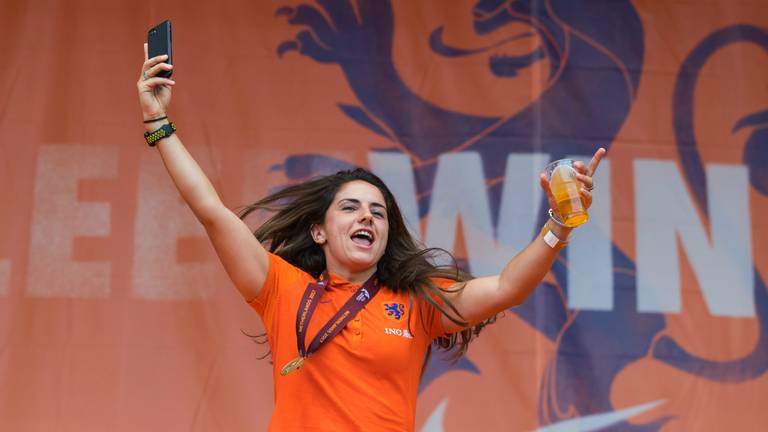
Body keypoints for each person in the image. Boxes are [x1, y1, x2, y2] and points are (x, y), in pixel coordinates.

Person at [137, 44, 605, 431]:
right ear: (318, 231)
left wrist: (559, 226)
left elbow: (506, 288)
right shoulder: (281, 290)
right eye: (351, 207)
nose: (368, 217)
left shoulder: (419, 301)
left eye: (378, 213)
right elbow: (212, 211)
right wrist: (158, 122)